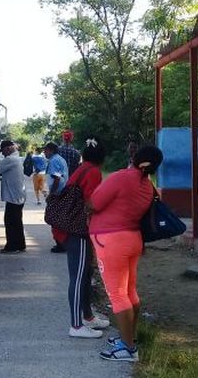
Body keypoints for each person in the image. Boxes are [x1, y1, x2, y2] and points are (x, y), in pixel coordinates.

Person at [88, 145, 164, 362]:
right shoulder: (147, 186)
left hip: (111, 242)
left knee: (117, 295)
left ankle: (128, 348)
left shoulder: (122, 177)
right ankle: (130, 337)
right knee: (129, 292)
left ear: (135, 158)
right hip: (132, 239)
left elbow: (94, 203)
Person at [56, 137, 109, 339]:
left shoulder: (82, 168)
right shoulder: (93, 172)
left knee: (85, 274)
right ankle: (76, 326)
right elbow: (91, 202)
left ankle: (87, 317)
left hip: (71, 226)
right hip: (77, 229)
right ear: (102, 158)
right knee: (78, 277)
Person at [0, 140, 26, 253]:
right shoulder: (16, 159)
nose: (3, 154)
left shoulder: (11, 159)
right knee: (17, 221)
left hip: (13, 196)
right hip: (18, 195)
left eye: (4, 151)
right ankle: (20, 244)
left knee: (10, 222)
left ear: (9, 149)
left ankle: (12, 246)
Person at [43, 141, 70, 253]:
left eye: (46, 150)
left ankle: (60, 243)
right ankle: (62, 242)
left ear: (51, 150)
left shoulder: (54, 161)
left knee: (54, 219)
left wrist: (51, 194)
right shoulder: (61, 159)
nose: (44, 152)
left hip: (57, 193)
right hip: (63, 192)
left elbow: (57, 178)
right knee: (60, 219)